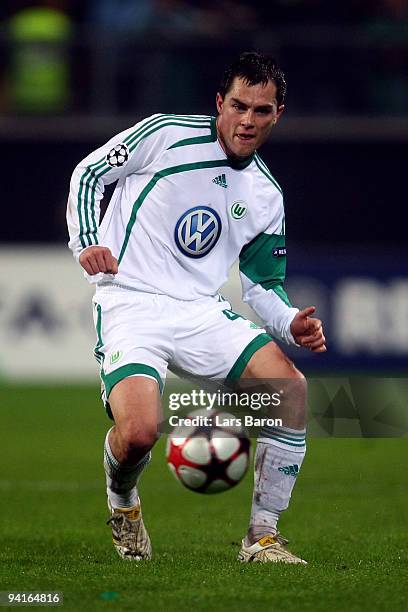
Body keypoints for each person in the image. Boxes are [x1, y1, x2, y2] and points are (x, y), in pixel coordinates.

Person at [66, 51, 326, 564]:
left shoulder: (266, 194)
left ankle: (263, 536)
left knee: (290, 390)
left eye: (262, 111)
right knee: (139, 432)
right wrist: (87, 243)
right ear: (219, 103)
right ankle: (124, 504)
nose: (247, 121)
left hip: (200, 310)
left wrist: (291, 324)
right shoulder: (163, 135)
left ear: (279, 115)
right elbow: (89, 173)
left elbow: (261, 286)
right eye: (239, 106)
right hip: (131, 302)